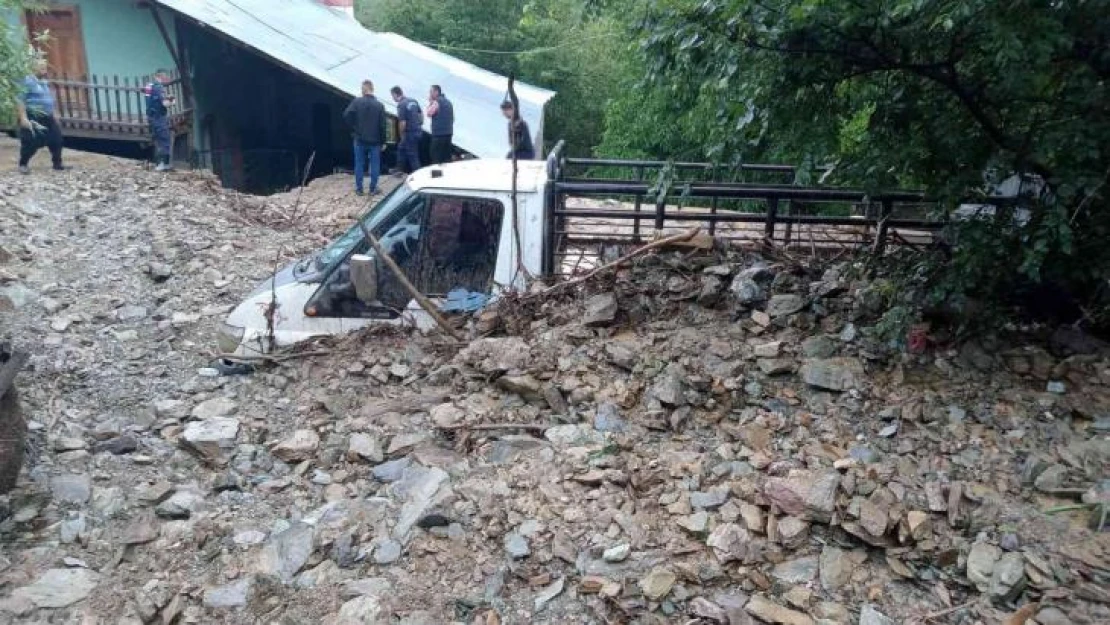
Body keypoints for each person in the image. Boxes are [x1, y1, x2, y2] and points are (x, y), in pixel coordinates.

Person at [16, 57, 66, 175]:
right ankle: (23, 164)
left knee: (56, 139)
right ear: (33, 67)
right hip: (34, 116)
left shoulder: (43, 82)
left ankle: (57, 164)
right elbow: (20, 100)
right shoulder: (27, 81)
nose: (44, 69)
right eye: (41, 67)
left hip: (48, 116)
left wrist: (54, 113)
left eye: (45, 66)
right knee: (31, 142)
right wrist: (23, 118)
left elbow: (48, 99)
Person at [344, 80, 387, 196]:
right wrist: (384, 141)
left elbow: (347, 114)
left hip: (359, 139)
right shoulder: (379, 105)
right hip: (375, 140)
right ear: (372, 89)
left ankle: (359, 189)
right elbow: (383, 125)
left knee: (359, 164)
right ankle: (373, 189)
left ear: (364, 89)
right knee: (374, 164)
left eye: (361, 89)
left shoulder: (357, 102)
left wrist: (354, 128)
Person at [144, 69, 177, 172]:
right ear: (161, 76)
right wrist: (172, 101)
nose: (167, 80)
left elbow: (150, 99)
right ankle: (163, 164)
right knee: (165, 140)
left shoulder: (149, 86)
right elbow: (164, 103)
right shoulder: (159, 87)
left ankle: (159, 163)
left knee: (158, 139)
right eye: (166, 77)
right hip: (159, 117)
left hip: (151, 116)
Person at [390, 86, 423, 174]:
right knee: (401, 148)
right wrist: (418, 124)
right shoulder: (413, 101)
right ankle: (399, 169)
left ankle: (418, 174)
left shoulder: (401, 105)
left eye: (392, 96)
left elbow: (402, 122)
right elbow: (421, 115)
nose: (392, 98)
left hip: (409, 133)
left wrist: (401, 135)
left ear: (395, 94)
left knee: (412, 155)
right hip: (418, 131)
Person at [426, 84, 454, 165]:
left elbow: (429, 113)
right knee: (446, 158)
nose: (430, 94)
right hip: (448, 133)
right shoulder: (449, 102)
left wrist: (430, 102)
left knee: (435, 156)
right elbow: (453, 118)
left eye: (431, 92)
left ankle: (437, 175)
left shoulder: (436, 102)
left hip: (438, 135)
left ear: (436, 92)